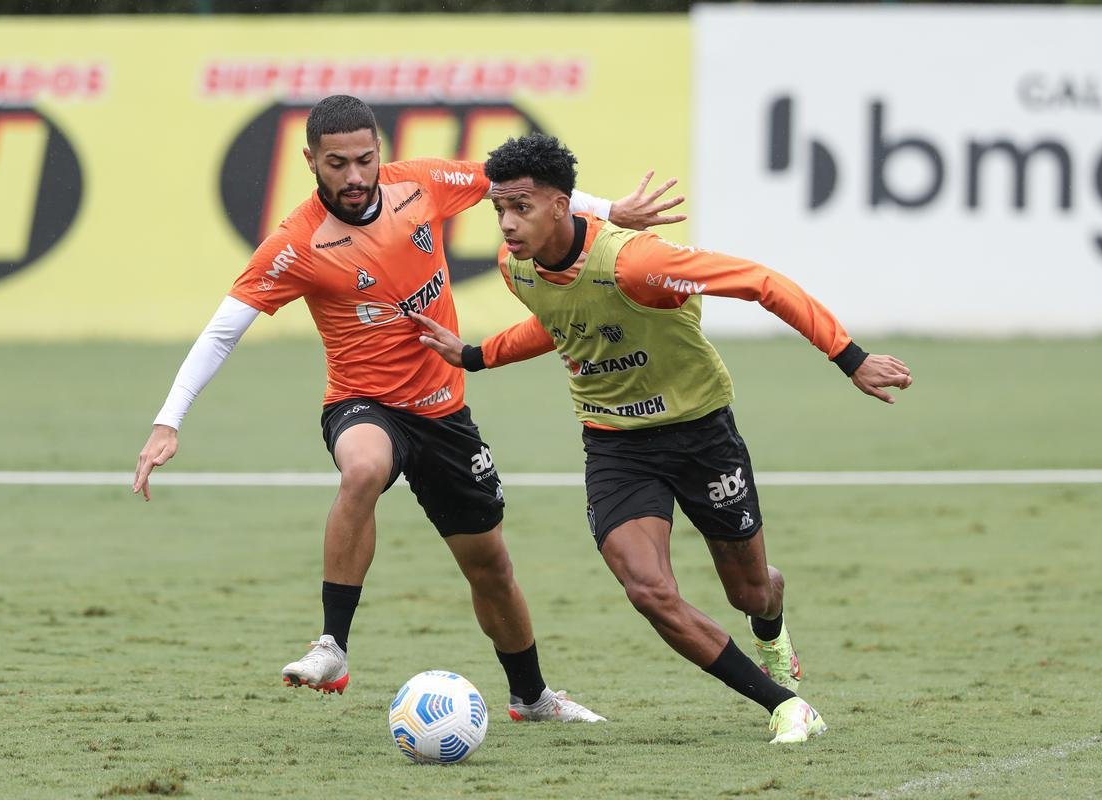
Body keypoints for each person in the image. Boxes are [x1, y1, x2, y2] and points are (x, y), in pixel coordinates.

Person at [132, 96, 685, 723]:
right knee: (363, 468)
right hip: (361, 403)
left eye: (365, 160)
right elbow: (222, 331)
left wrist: (612, 212)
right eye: (336, 164)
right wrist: (167, 420)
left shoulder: (419, 184)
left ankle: (531, 699)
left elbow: (516, 186)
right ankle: (332, 646)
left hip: (444, 411)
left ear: (379, 153)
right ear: (310, 160)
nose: (354, 177)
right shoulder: (296, 243)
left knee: (490, 567)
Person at [412, 133, 913, 743]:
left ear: (564, 205)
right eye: (499, 210)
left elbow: (759, 280)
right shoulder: (514, 266)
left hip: (701, 433)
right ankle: (784, 705)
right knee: (648, 589)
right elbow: (563, 324)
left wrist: (850, 357)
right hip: (616, 443)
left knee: (751, 590)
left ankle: (772, 629)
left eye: (522, 207)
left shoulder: (637, 262)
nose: (508, 224)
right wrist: (475, 355)